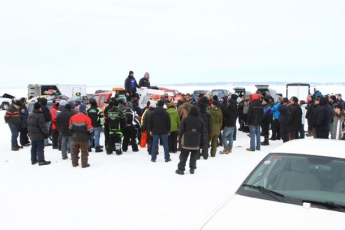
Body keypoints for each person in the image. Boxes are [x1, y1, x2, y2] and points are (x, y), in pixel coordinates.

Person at [176, 106, 208, 175]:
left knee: (184, 155)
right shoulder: (200, 120)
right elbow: (203, 132)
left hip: (186, 141)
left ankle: (181, 169)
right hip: (196, 142)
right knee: (194, 155)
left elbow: (181, 130)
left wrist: (180, 137)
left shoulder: (186, 119)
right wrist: (203, 142)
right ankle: (192, 168)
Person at [69, 104, 93, 168]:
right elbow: (90, 129)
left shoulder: (72, 117)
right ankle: (84, 164)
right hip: (83, 138)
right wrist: (89, 135)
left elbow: (70, 127)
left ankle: (74, 163)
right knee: (84, 151)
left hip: (74, 137)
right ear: (84, 110)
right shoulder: (87, 118)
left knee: (74, 151)